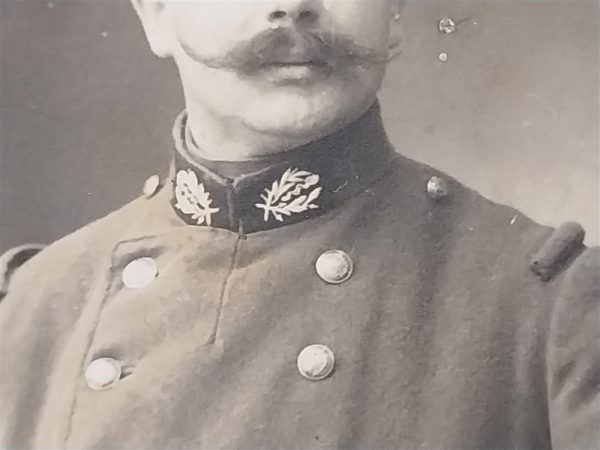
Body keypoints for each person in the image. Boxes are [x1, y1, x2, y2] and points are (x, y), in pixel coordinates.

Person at [1, 0, 598, 448]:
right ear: (156, 13)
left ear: (393, 14)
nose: (293, 4)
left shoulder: (548, 310)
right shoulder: (29, 308)